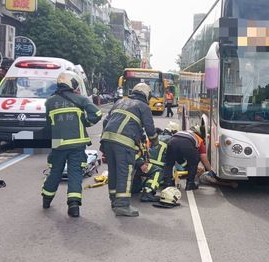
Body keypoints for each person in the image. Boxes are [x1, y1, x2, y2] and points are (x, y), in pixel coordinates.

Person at [42, 71, 102, 218]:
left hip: (58, 144)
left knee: (55, 172)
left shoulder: (49, 102)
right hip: (77, 144)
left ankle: (46, 200)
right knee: (75, 174)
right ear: (71, 84)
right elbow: (98, 114)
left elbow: (48, 126)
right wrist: (85, 122)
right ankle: (74, 206)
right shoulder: (80, 99)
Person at [101, 83, 158, 217]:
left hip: (107, 139)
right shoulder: (143, 106)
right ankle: (122, 205)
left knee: (113, 171)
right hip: (123, 142)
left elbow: (106, 122)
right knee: (124, 172)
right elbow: (150, 129)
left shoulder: (120, 101)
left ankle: (114, 200)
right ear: (146, 95)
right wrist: (154, 141)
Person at [133, 121, 181, 202]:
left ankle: (136, 187)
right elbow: (174, 160)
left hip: (144, 164)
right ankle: (148, 193)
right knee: (159, 172)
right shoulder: (172, 140)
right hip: (152, 166)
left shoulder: (157, 137)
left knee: (136, 188)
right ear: (174, 132)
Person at [162, 125, 215, 191]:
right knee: (193, 162)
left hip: (172, 141)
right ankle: (190, 184)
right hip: (186, 143)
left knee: (169, 163)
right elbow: (204, 158)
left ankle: (167, 183)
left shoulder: (185, 132)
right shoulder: (199, 140)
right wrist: (210, 170)